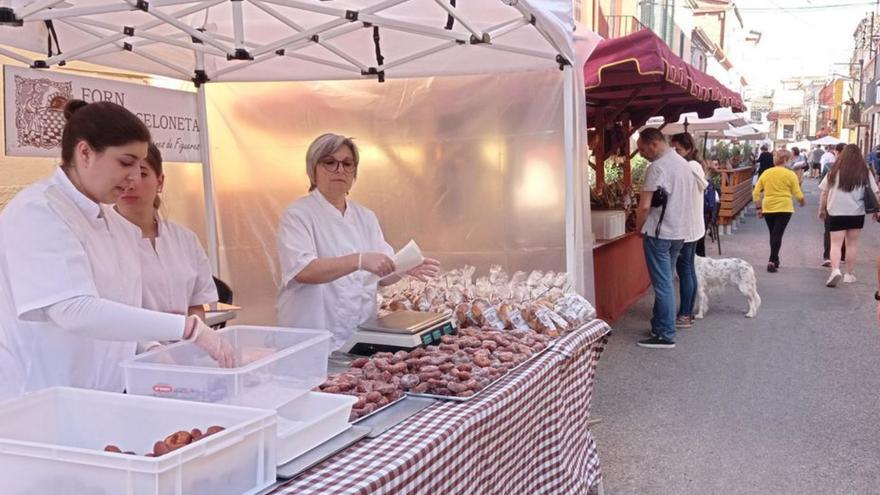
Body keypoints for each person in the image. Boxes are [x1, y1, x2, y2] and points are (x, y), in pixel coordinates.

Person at [0, 100, 233, 400]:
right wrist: (187, 328)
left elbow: (117, 312)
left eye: (141, 166)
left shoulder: (114, 225)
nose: (133, 177)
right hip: (39, 396)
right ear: (85, 152)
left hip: (103, 394)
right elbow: (73, 310)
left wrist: (152, 349)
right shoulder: (38, 212)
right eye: (126, 163)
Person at [277, 133, 441, 350]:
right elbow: (304, 271)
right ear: (313, 169)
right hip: (311, 341)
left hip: (358, 338)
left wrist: (402, 267)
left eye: (347, 164)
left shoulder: (365, 217)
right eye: (330, 162)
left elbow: (381, 277)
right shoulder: (298, 215)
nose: (340, 170)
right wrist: (359, 260)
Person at [114, 143, 218, 323]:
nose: (130, 184)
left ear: (160, 181)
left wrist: (193, 333)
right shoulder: (100, 239)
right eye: (121, 173)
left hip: (185, 339)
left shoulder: (185, 239)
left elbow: (198, 302)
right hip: (129, 341)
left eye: (142, 174)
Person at [634, 128, 700, 349]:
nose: (641, 154)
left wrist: (638, 227)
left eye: (642, 149)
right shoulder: (683, 164)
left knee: (663, 285)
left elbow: (644, 206)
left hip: (659, 233)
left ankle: (665, 334)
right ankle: (659, 325)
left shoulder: (657, 167)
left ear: (653, 144)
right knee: (667, 281)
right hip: (679, 232)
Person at [818, 144, 880, 287]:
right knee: (852, 244)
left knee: (835, 244)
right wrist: (876, 210)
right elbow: (875, 192)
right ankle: (849, 274)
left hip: (836, 212)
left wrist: (821, 209)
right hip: (856, 213)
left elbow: (824, 192)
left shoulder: (834, 170)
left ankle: (835, 270)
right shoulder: (864, 171)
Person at [669, 133, 708, 329]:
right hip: (694, 226)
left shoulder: (688, 167)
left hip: (685, 227)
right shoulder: (696, 166)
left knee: (684, 270)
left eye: (678, 149)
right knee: (688, 269)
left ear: (688, 149)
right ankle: (687, 312)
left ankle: (685, 313)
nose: (675, 153)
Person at [752, 149, 805, 273]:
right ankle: (772, 260)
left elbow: (755, 193)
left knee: (773, 233)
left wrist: (758, 208)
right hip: (784, 207)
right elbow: (797, 193)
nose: (790, 162)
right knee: (777, 234)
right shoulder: (790, 174)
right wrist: (802, 201)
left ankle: (775, 259)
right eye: (790, 160)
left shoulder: (766, 173)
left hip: (768, 207)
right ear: (785, 160)